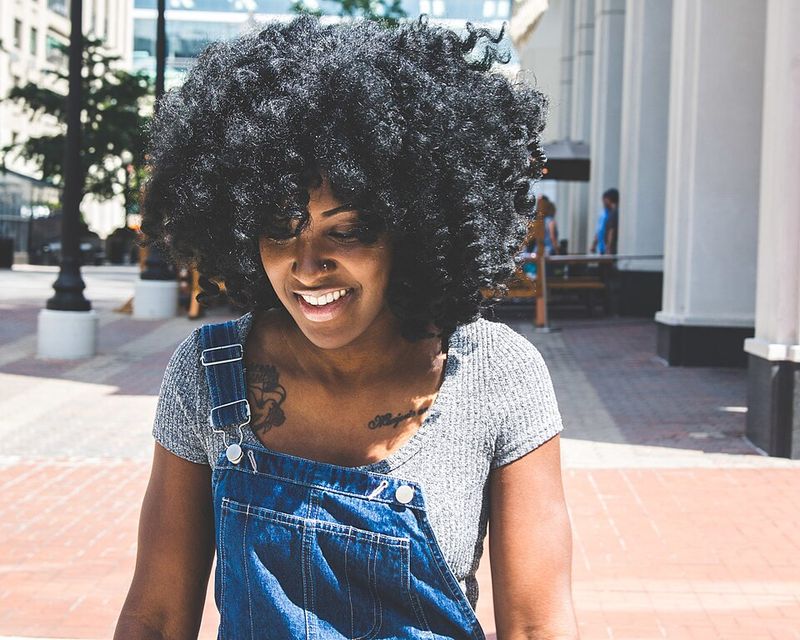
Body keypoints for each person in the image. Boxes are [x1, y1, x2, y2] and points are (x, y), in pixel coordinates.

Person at [115, 15, 577, 640]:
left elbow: (537, 625)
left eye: (347, 229)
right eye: (280, 228)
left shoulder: (497, 375)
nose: (307, 265)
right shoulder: (206, 375)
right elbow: (159, 616)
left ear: (411, 231)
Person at [590, 187, 619, 255]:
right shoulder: (605, 213)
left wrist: (608, 248)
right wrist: (594, 244)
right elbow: (599, 230)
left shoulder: (613, 213)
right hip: (603, 248)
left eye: (604, 199)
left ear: (608, 199)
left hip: (608, 250)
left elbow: (611, 231)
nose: (603, 202)